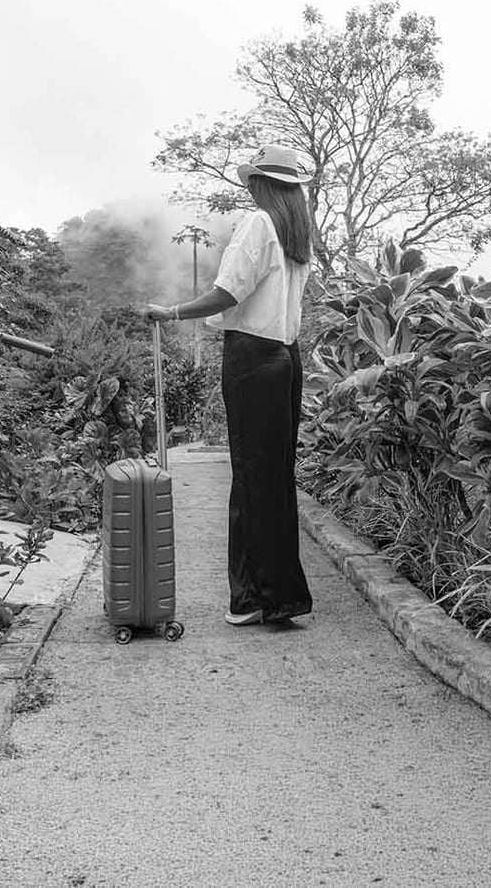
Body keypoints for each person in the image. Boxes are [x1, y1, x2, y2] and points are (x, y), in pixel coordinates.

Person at [144, 145, 315, 627]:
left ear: (263, 185)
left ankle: (255, 598)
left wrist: (172, 313)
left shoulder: (260, 224)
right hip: (286, 359)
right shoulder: (296, 233)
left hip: (254, 358)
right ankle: (280, 597)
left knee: (250, 476)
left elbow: (228, 291)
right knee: (275, 477)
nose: (249, 186)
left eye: (253, 180)